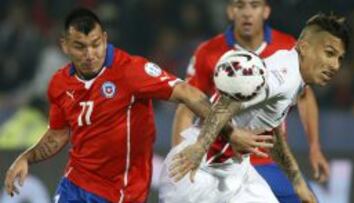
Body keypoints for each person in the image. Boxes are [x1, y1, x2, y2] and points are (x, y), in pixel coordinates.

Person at [3, 8, 241, 203]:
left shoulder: (130, 71)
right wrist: (27, 157)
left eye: (95, 44)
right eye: (80, 47)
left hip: (120, 192)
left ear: (105, 39)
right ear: (65, 46)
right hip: (75, 183)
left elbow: (188, 94)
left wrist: (230, 132)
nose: (90, 54)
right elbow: (58, 134)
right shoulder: (59, 83)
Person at [161, 13, 348, 203]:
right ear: (304, 47)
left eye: (340, 59)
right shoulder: (282, 78)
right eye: (329, 53)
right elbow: (226, 103)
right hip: (201, 171)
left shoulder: (292, 72)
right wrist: (200, 147)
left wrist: (298, 182)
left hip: (237, 171)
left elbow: (271, 133)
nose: (334, 65)